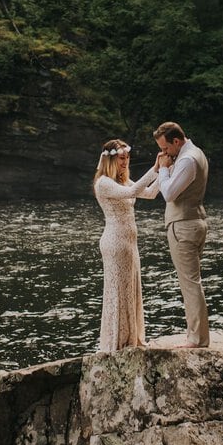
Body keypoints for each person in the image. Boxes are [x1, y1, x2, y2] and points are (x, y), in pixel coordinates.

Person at [93, 139, 160, 353]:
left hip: (129, 243)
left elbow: (149, 193)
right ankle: (117, 341)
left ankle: (132, 337)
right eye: (121, 158)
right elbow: (132, 193)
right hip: (115, 242)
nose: (125, 161)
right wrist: (155, 168)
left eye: (127, 157)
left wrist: (165, 171)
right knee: (119, 291)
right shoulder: (104, 183)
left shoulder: (123, 181)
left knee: (131, 288)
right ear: (111, 159)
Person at [153, 122, 210, 348]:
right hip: (194, 221)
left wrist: (165, 169)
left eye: (165, 148)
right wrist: (162, 167)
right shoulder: (197, 153)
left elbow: (168, 193)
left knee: (189, 284)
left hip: (183, 225)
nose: (164, 153)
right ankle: (196, 336)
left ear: (176, 141)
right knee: (192, 282)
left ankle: (197, 339)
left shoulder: (187, 160)